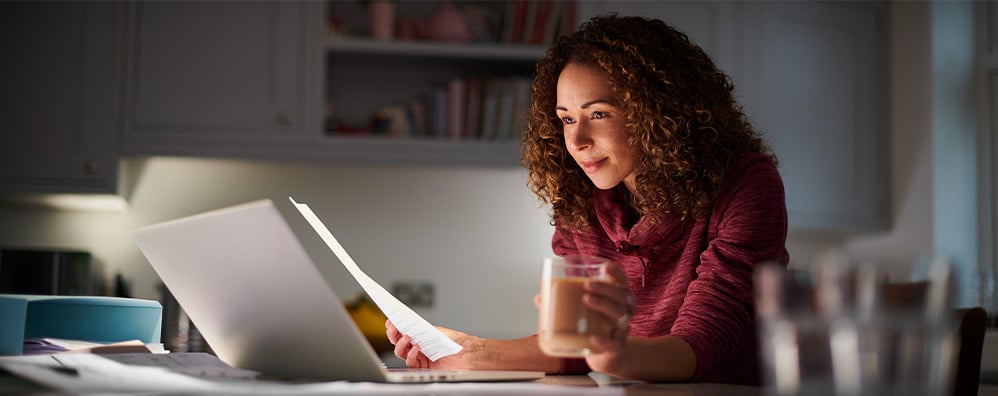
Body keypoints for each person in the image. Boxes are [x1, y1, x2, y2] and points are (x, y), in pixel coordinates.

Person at [386, 14, 790, 385]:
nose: (576, 141)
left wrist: (610, 353)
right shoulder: (581, 202)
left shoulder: (745, 184)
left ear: (659, 111)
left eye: (598, 114)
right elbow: (574, 347)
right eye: (566, 118)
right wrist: (468, 352)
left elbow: (700, 345)